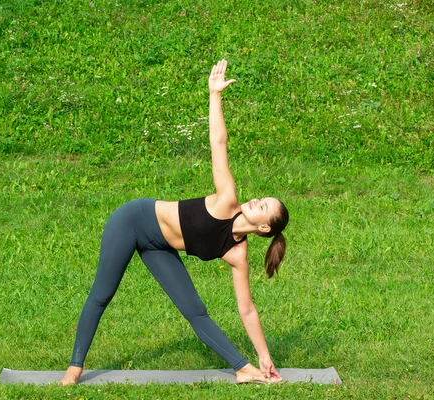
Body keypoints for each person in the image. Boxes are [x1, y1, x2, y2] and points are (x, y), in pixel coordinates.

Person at [60, 59, 289, 385]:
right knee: (102, 294)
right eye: (261, 198)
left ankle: (243, 368)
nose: (256, 200)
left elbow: (247, 310)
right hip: (132, 220)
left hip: (159, 245)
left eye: (263, 206)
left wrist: (265, 356)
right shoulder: (228, 200)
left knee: (195, 311)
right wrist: (214, 96)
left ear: (264, 227)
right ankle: (74, 369)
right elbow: (218, 143)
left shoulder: (238, 254)